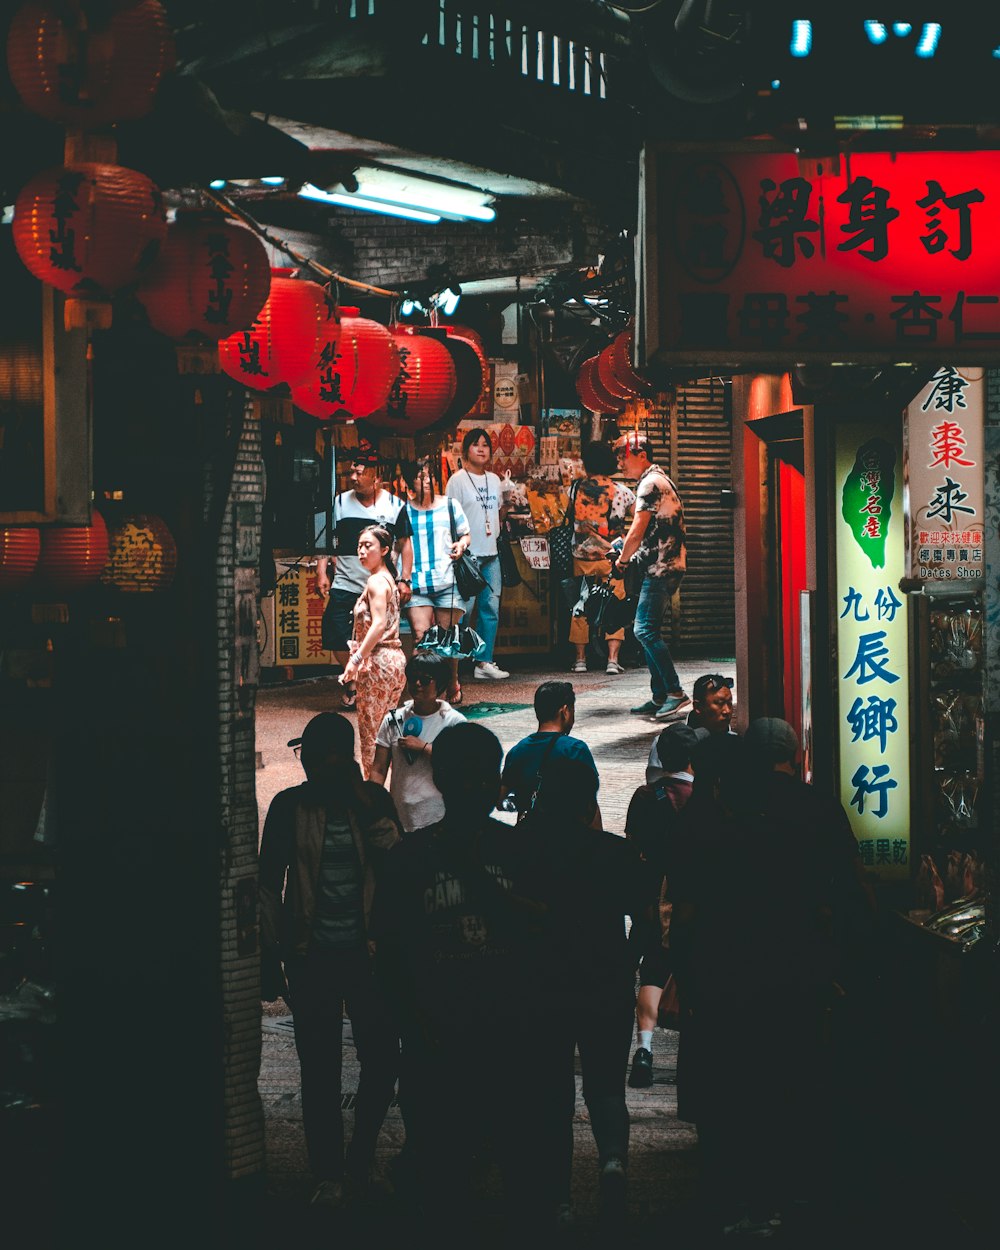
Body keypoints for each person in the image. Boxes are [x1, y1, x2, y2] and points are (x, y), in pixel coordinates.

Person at [668, 718, 873, 1238]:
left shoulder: (713, 826)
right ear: (797, 754)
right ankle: (792, 1192)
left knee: (741, 1085)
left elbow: (688, 913)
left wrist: (687, 978)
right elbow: (845, 893)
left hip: (728, 978)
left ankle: (744, 1198)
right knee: (793, 1078)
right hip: (796, 973)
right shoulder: (813, 811)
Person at [373, 722, 549, 1234]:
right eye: (468, 778)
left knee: (473, 1174)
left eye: (480, 779)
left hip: (479, 1037)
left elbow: (390, 954)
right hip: (457, 1038)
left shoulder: (416, 857)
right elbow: (389, 955)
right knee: (476, 1174)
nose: (475, 789)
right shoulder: (512, 852)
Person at [258, 712, 402, 1210]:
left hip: (369, 957)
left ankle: (359, 1159)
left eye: (316, 757)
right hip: (310, 957)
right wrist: (270, 956)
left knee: (382, 1060)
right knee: (318, 1069)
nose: (310, 768)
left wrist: (366, 806)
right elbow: (268, 886)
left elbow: (397, 866)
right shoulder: (287, 808)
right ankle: (329, 1172)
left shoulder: (372, 803)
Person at [523, 755, 653, 1227]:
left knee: (551, 1093)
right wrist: (627, 961)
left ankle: (558, 1199)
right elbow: (647, 923)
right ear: (588, 802)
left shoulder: (525, 852)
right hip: (605, 980)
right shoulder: (613, 853)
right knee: (605, 1087)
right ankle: (613, 1161)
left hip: (544, 983)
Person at [624, 722, 707, 1089]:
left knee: (653, 970)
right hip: (691, 896)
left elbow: (633, 848)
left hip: (651, 896)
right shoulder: (703, 797)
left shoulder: (646, 796)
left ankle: (644, 1047)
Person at [315, 446, 413, 710]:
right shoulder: (339, 502)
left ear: (376, 476)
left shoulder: (395, 505)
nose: (354, 477)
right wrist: (322, 570)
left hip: (380, 585)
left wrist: (405, 579)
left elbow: (405, 544)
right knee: (335, 634)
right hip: (345, 582)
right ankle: (354, 680)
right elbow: (327, 540)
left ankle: (370, 684)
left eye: (360, 473)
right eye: (352, 472)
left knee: (379, 635)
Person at [612, 432, 689, 722]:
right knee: (646, 630)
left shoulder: (650, 483)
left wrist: (622, 560)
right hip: (661, 565)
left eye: (623, 456)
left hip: (663, 567)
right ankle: (660, 695)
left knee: (644, 630)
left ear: (641, 455)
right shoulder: (655, 480)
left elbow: (638, 529)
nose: (620, 463)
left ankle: (675, 693)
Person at [397, 455, 471, 706]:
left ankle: (451, 680)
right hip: (417, 583)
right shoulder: (404, 511)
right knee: (420, 636)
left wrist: (461, 545)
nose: (425, 480)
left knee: (446, 640)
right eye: (419, 477)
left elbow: (465, 534)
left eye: (428, 476)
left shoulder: (450, 505)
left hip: (447, 580)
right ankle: (423, 689)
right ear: (410, 483)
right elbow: (400, 545)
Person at [369, 652, 466, 834]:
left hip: (438, 816)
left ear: (440, 684)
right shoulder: (394, 719)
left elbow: (461, 767)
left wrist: (424, 748)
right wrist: (373, 806)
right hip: (400, 815)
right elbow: (378, 768)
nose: (417, 684)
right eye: (413, 678)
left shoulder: (454, 722)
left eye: (426, 679)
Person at [339, 524, 407, 778]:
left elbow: (378, 624)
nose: (362, 551)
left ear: (385, 550)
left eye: (369, 546)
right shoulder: (387, 578)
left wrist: (355, 660)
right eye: (359, 546)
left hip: (378, 662)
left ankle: (373, 796)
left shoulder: (378, 581)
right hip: (391, 661)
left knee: (372, 738)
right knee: (385, 732)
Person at [445, 427, 510, 682]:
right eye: (476, 444)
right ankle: (455, 664)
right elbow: (449, 519)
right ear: (466, 451)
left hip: (491, 553)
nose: (482, 449)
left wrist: (508, 504)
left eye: (486, 445)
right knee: (463, 610)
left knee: (490, 608)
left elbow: (497, 515)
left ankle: (483, 661)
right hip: (467, 556)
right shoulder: (457, 480)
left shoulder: (494, 480)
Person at [567, 439, 636, 676]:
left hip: (583, 557)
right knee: (614, 605)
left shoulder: (575, 489)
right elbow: (640, 519)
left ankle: (580, 660)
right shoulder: (623, 493)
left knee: (581, 606)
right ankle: (612, 660)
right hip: (612, 558)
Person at [500, 679, 602, 826]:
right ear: (565, 712)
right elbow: (590, 806)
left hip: (528, 838)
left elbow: (499, 800)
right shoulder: (575, 749)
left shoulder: (517, 750)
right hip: (567, 836)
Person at [646, 672, 735, 783]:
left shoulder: (736, 743)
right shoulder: (668, 742)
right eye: (719, 703)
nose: (727, 711)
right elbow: (656, 787)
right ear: (697, 706)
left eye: (730, 703)